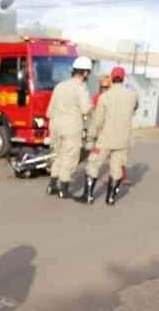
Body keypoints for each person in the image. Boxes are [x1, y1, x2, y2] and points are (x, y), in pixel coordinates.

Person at [75, 66, 138, 205]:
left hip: (106, 139)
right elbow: (135, 107)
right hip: (123, 140)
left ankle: (88, 196)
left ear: (111, 78)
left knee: (93, 164)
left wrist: (91, 137)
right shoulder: (133, 95)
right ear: (123, 78)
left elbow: (97, 121)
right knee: (116, 168)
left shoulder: (104, 97)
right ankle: (110, 198)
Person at [45, 56, 93, 199]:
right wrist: (93, 104)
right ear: (85, 73)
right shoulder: (81, 87)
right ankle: (63, 188)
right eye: (88, 73)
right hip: (71, 127)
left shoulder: (60, 85)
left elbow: (49, 111)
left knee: (58, 155)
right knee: (70, 157)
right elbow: (85, 109)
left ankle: (52, 185)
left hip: (55, 126)